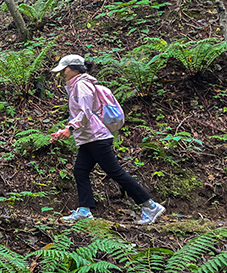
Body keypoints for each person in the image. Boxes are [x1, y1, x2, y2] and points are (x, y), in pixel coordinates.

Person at [49, 54, 165, 225]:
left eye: (64, 69)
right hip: (89, 138)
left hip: (97, 138)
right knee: (80, 171)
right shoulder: (76, 85)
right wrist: (64, 131)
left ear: (73, 68)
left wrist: (70, 128)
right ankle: (84, 210)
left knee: (115, 172)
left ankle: (150, 206)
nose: (61, 74)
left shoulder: (82, 85)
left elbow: (85, 112)